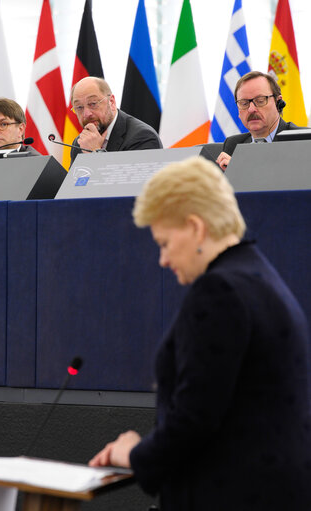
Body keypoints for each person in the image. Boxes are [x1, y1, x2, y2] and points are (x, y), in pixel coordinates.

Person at [89, 156, 311, 510]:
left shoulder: (219, 291)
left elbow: (195, 419)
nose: (162, 259)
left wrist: (133, 452)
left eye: (163, 242)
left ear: (195, 227)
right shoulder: (261, 277)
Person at [216, 71, 303, 171]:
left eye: (260, 101)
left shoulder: (303, 140)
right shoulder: (232, 145)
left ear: (278, 103)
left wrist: (240, 171)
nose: (251, 109)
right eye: (244, 103)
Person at [69, 76, 162, 167]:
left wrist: (95, 152)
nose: (86, 114)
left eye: (93, 103)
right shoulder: (81, 142)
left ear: (111, 102)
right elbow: (74, 181)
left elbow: (130, 181)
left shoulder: (143, 137)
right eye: (79, 107)